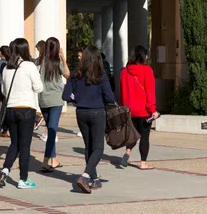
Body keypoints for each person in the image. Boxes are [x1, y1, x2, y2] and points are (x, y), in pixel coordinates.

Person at [62, 45, 115, 193]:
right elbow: (110, 97)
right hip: (97, 112)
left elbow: (65, 96)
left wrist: (77, 98)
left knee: (89, 147)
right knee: (98, 148)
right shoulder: (101, 75)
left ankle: (95, 179)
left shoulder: (75, 75)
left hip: (81, 113)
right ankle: (85, 176)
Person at [0, 38, 43, 189]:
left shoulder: (6, 68)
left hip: (10, 109)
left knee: (14, 143)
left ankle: (5, 169)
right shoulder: (29, 66)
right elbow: (38, 87)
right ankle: (23, 179)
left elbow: (3, 91)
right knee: (25, 146)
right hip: (26, 109)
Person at [119, 45, 159, 170]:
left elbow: (121, 91)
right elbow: (150, 92)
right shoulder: (147, 70)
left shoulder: (124, 71)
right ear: (143, 56)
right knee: (144, 136)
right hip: (144, 110)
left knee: (132, 134)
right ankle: (143, 163)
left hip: (129, 110)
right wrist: (153, 110)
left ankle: (127, 153)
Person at [38, 37, 70, 172]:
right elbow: (68, 74)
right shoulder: (57, 62)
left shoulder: (40, 61)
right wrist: (63, 58)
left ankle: (54, 159)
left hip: (43, 99)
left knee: (51, 129)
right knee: (52, 130)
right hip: (56, 99)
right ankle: (46, 161)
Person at [33, 39, 46, 135]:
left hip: (41, 84)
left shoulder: (41, 58)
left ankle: (38, 118)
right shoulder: (48, 58)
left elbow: (35, 64)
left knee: (40, 106)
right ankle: (46, 132)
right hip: (46, 85)